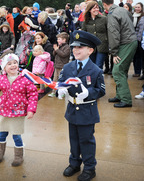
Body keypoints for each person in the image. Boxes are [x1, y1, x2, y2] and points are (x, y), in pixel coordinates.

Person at [58, 30, 105, 181]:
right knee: (74, 140)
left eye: (80, 47)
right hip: (72, 110)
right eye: (74, 47)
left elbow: (101, 90)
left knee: (86, 141)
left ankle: (90, 168)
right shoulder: (68, 67)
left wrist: (89, 93)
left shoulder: (96, 70)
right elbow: (62, 83)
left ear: (90, 50)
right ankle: (74, 163)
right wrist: (61, 90)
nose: (75, 50)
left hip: (87, 112)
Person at [0, 53, 38, 166]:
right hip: (4, 111)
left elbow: (33, 94)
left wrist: (31, 110)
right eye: (9, 64)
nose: (13, 65)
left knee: (16, 135)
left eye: (15, 63)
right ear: (4, 68)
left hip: (19, 112)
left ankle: (18, 156)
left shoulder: (25, 78)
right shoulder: (1, 79)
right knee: (2, 133)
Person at [102, 0, 138, 108]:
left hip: (125, 43)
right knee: (122, 70)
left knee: (117, 71)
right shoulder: (122, 10)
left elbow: (114, 35)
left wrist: (114, 53)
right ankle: (120, 95)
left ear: (104, 4)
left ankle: (126, 99)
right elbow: (131, 20)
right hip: (131, 41)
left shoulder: (112, 14)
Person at [82, 1, 109, 70]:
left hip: (102, 46)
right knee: (91, 65)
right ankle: (93, 80)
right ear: (90, 10)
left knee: (98, 65)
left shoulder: (104, 19)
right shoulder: (86, 21)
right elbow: (83, 33)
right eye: (94, 8)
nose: (96, 10)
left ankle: (99, 80)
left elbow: (108, 32)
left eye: (97, 8)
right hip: (90, 47)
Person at [48, 32, 70, 97]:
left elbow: (63, 55)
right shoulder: (59, 47)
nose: (58, 40)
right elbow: (54, 54)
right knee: (55, 79)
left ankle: (62, 92)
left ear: (64, 40)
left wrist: (57, 50)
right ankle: (54, 92)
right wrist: (55, 50)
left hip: (63, 66)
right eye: (58, 39)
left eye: (59, 39)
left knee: (62, 80)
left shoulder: (67, 47)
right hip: (57, 66)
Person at [132, 2, 144, 77]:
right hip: (132, 38)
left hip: (140, 39)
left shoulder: (143, 16)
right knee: (134, 56)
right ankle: (136, 71)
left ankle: (139, 72)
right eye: (136, 7)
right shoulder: (132, 16)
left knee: (139, 56)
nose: (137, 9)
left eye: (138, 7)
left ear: (141, 8)